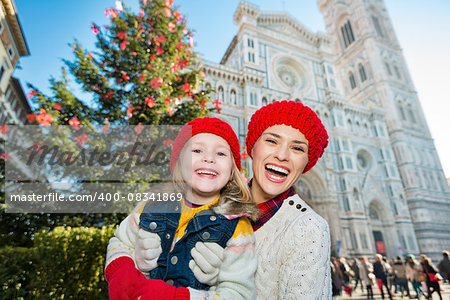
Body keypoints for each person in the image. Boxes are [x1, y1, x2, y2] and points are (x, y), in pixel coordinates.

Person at [136, 100, 332, 299]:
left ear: (307, 162)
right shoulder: (208, 198)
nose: (282, 155)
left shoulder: (308, 229)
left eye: (298, 148)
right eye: (272, 141)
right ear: (252, 148)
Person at [104, 117, 260, 299]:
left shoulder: (238, 229)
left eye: (221, 154)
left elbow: (240, 293)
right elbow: (120, 242)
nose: (209, 158)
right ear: (179, 163)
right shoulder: (151, 206)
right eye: (197, 150)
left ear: (232, 172)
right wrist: (122, 269)